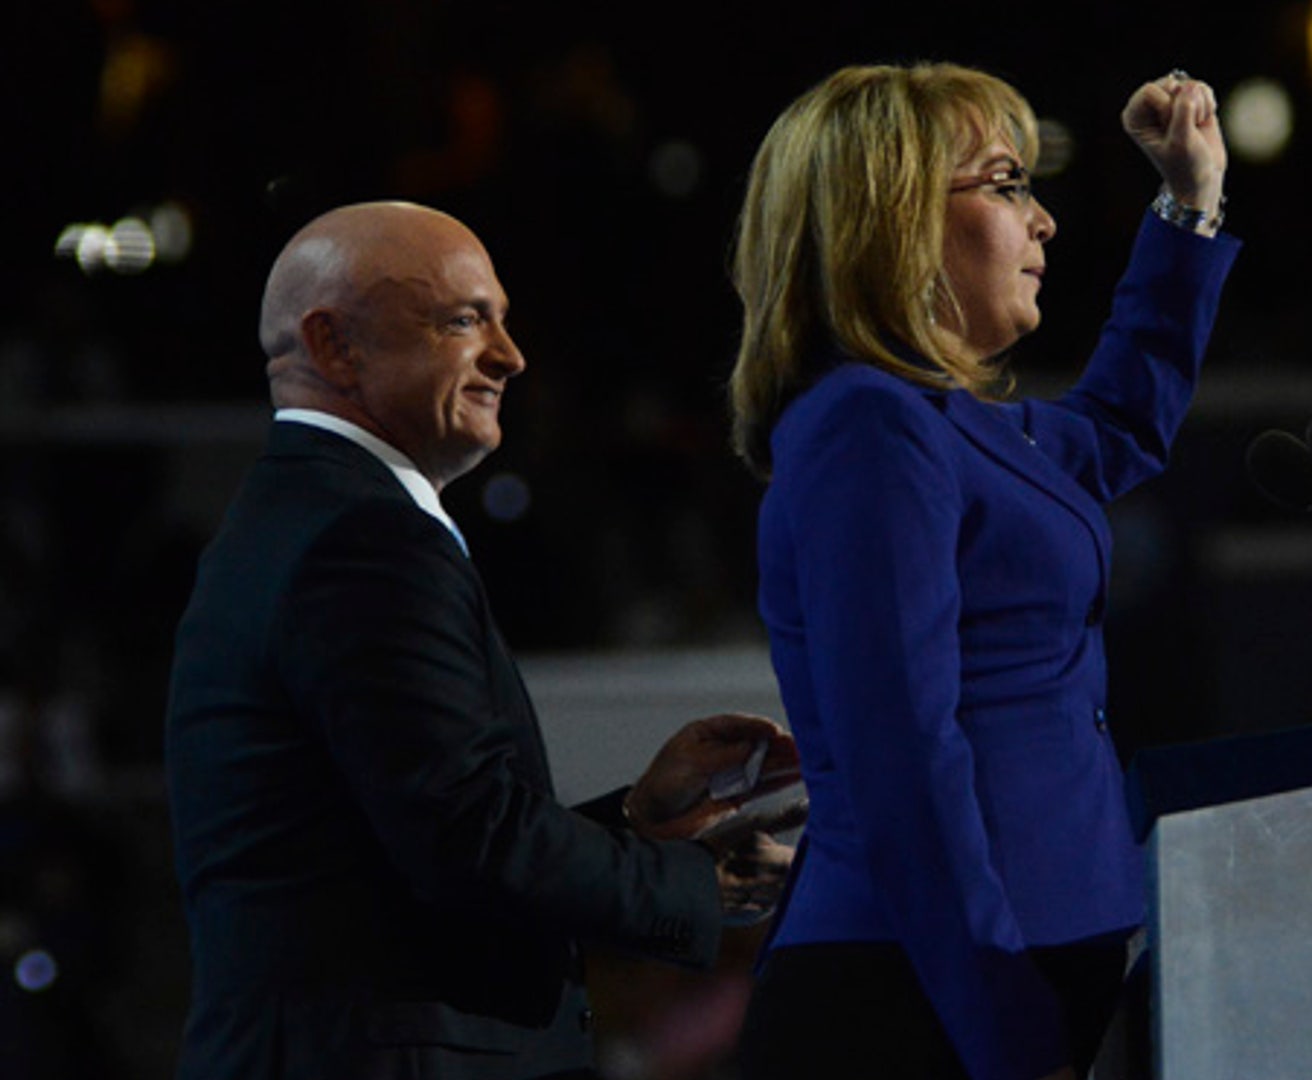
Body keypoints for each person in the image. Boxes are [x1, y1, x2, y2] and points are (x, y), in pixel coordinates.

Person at [165, 200, 801, 1080]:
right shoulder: (361, 538)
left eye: (502, 320)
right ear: (334, 345)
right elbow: (469, 843)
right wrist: (699, 884)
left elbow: (408, 842)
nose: (509, 356)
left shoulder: (306, 520)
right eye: (464, 320)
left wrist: (637, 822)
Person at [727, 64, 1238, 1080]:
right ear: (897, 220)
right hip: (928, 998)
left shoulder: (948, 427)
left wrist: (1191, 204)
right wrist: (1005, 1035)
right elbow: (904, 760)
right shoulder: (868, 428)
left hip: (1021, 965)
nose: (1043, 222)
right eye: (1007, 184)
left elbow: (1120, 425)